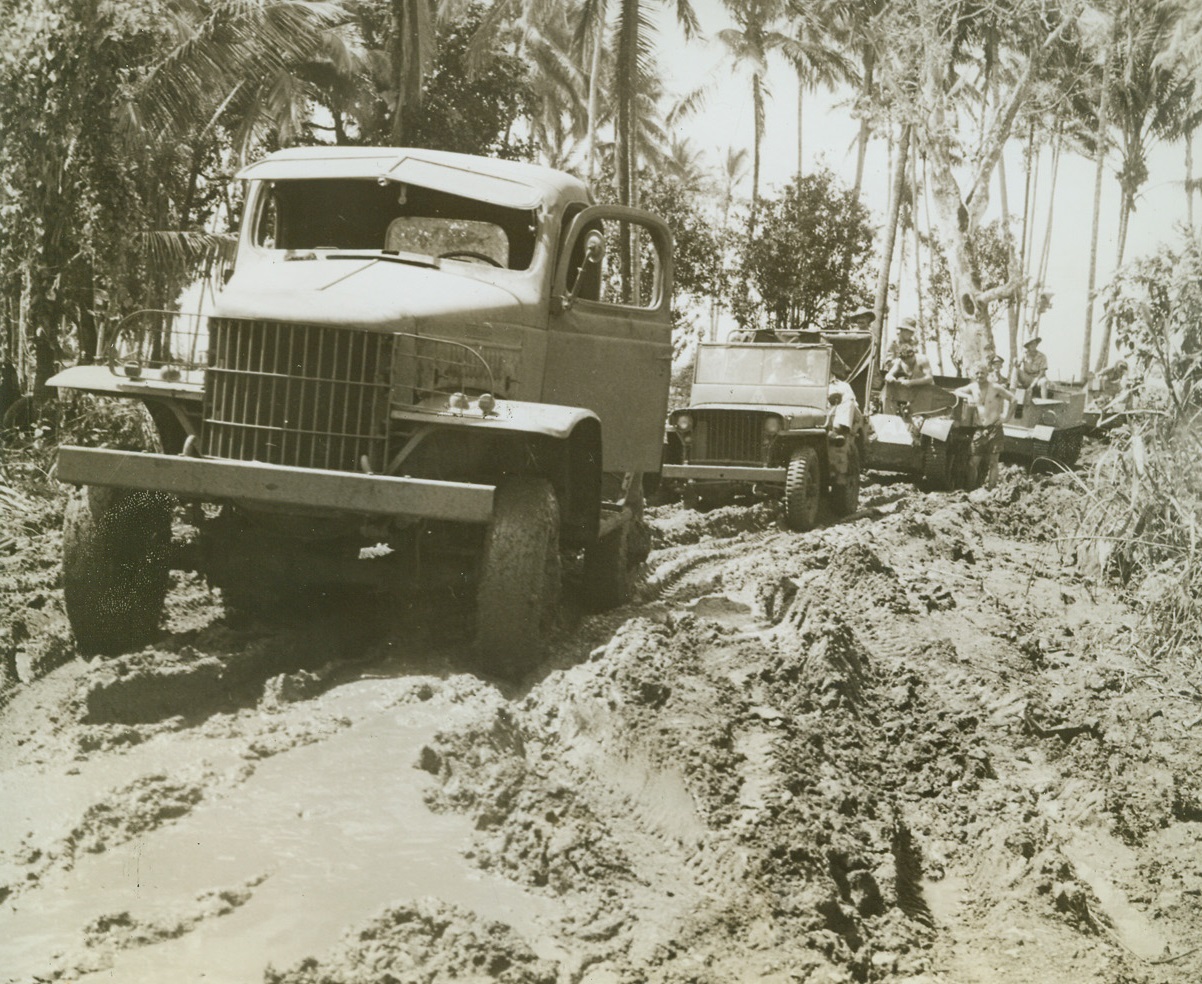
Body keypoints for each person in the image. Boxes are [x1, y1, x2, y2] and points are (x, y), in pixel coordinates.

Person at [955, 362, 1015, 488]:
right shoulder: (972, 387)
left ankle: (991, 490)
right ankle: (971, 490)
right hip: (980, 429)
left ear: (987, 374)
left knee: (993, 462)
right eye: (977, 373)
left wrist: (1006, 418)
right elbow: (957, 391)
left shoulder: (996, 388)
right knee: (973, 462)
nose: (980, 375)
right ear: (973, 374)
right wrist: (968, 396)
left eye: (982, 372)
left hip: (994, 428)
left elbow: (1013, 399)